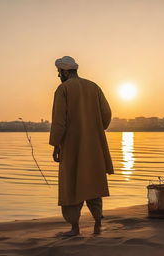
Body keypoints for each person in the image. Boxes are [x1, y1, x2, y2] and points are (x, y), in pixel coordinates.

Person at [49, 56, 114, 236]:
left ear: (65, 71)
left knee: (71, 184)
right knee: (94, 182)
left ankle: (74, 228)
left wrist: (56, 145)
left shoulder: (63, 89)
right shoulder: (94, 87)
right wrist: (93, 129)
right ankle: (98, 223)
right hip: (94, 146)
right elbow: (106, 116)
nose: (58, 76)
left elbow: (59, 122)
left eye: (59, 72)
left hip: (71, 146)